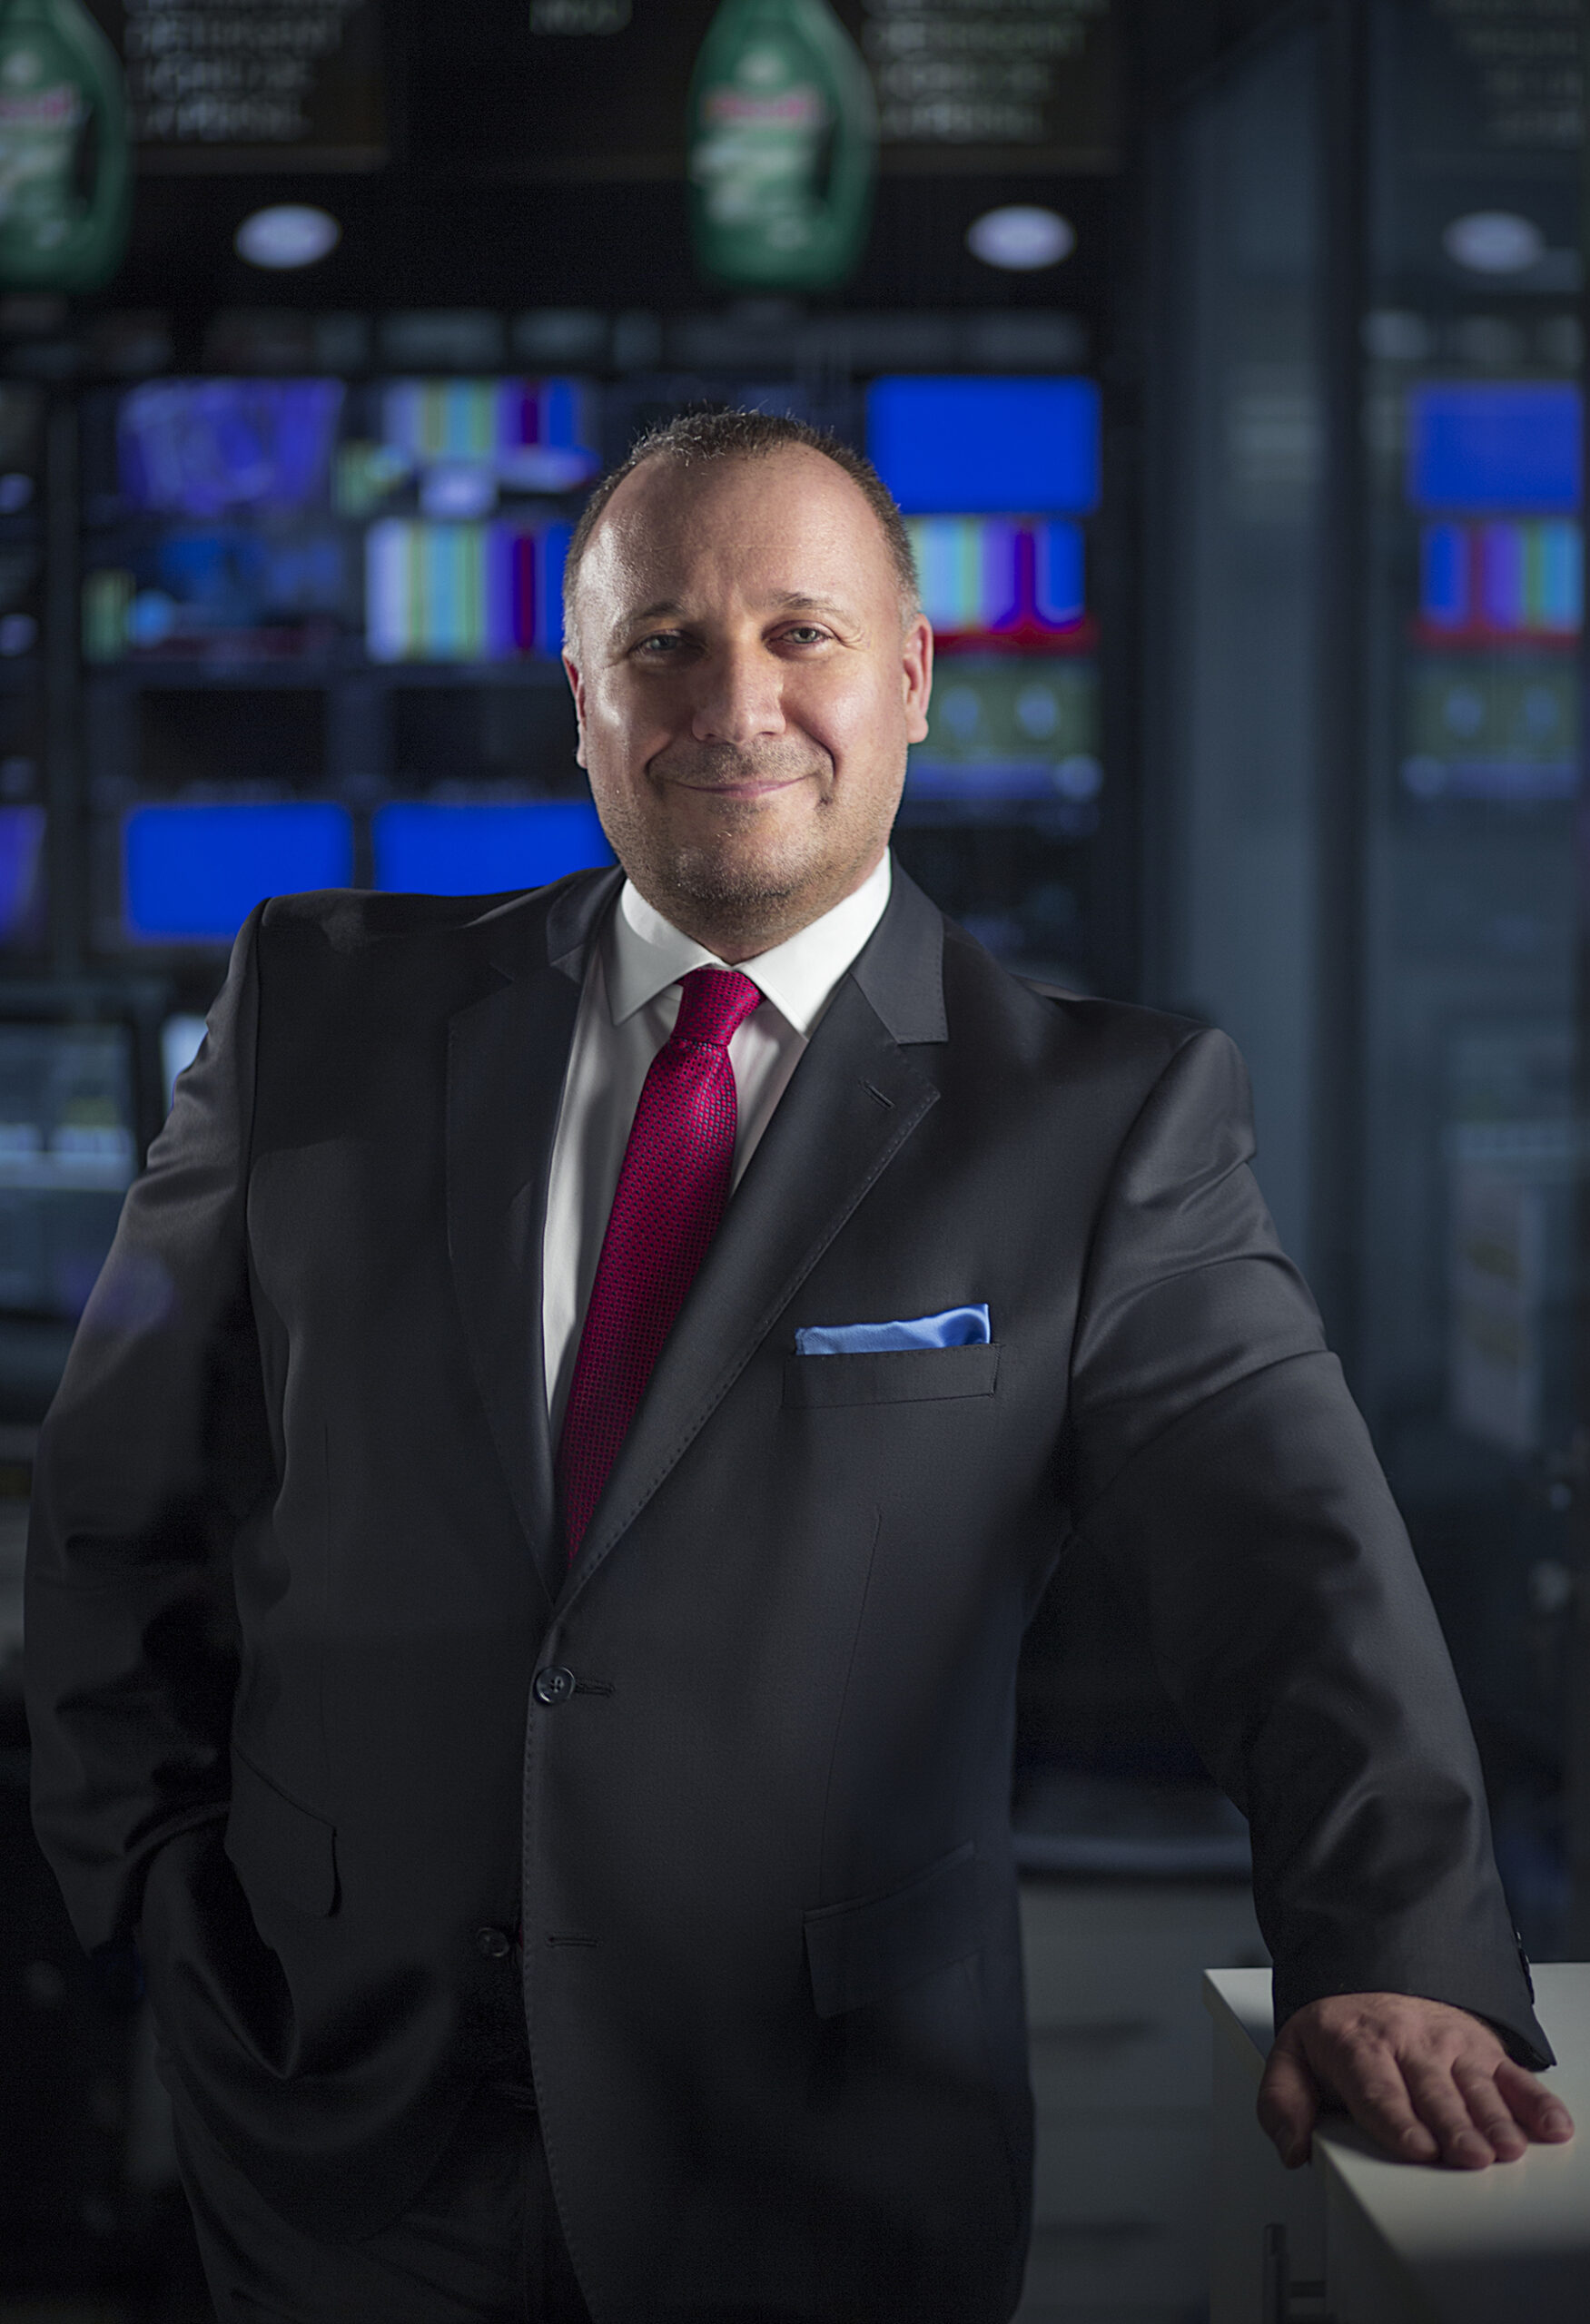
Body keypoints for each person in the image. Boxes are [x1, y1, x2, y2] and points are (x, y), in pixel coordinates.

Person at [25, 411, 1573, 2324]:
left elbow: (1294, 1564)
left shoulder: (1101, 1121)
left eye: (800, 634)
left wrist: (1393, 1943)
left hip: (819, 2162)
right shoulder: (317, 1010)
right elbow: (116, 1509)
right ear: (581, 696)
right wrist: (156, 1905)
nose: (733, 702)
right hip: (335, 2133)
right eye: (663, 641)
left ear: (913, 676)